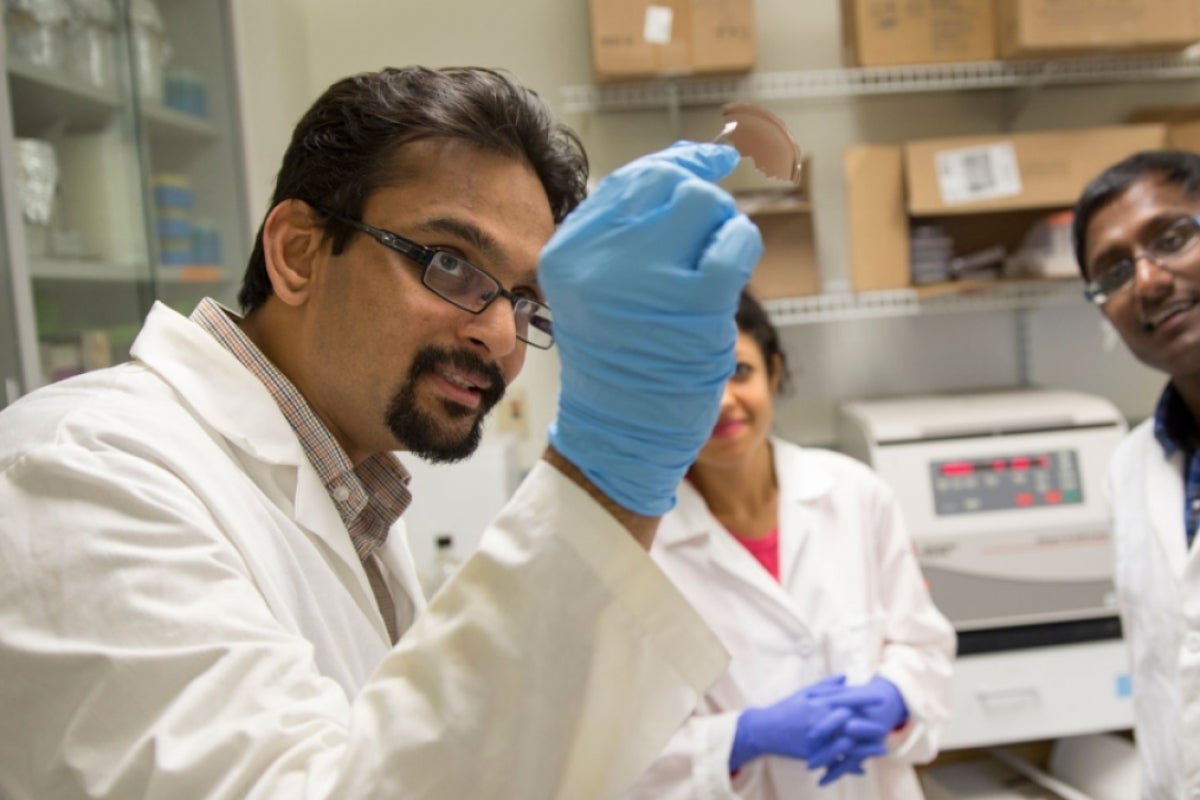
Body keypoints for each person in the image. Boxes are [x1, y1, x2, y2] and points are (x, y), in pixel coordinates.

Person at [0, 66, 764, 798]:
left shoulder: (354, 491)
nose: (501, 335)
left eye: (528, 302)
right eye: (452, 264)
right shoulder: (84, 471)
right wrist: (604, 478)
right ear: (298, 253)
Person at [623, 291, 956, 799]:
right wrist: (742, 738)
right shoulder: (642, 547)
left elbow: (922, 644)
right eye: (693, 382)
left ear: (774, 374)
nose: (722, 400)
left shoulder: (855, 494)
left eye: (738, 371)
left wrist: (896, 696)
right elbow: (622, 744)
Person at [1072, 149, 1200, 800]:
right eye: (1114, 272)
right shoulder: (1131, 468)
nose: (1148, 281)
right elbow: (1164, 685)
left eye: (1173, 238)